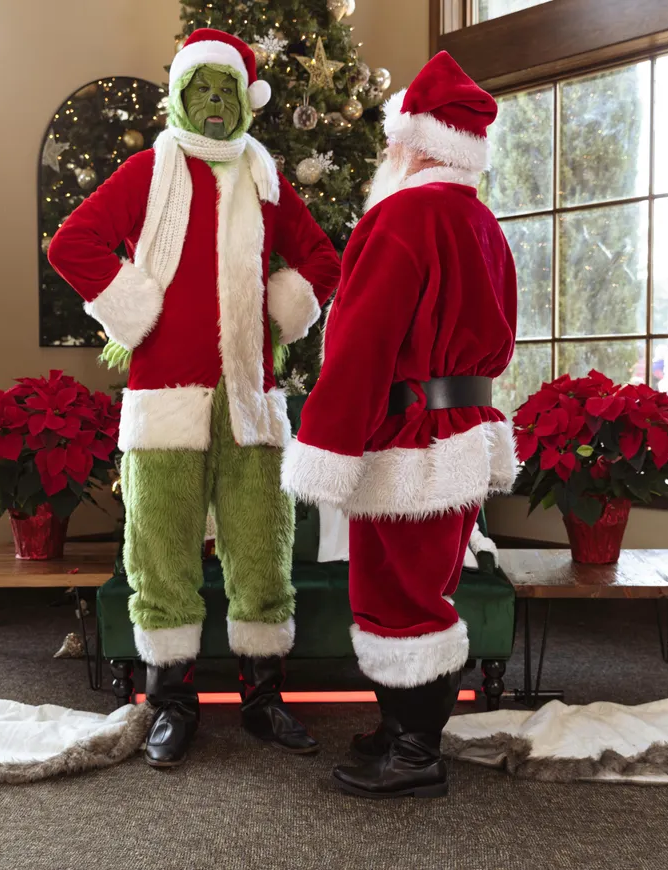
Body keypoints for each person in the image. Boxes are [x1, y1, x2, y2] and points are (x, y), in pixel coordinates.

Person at [47, 29, 340, 768]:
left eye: (227, 91)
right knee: (162, 551)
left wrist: (286, 303)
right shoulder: (149, 171)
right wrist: (133, 304)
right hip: (163, 401)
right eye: (201, 89)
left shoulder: (268, 179)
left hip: (250, 400)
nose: (215, 104)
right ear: (179, 96)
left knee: (261, 550)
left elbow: (322, 259)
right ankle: (172, 702)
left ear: (246, 102)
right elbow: (72, 244)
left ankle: (264, 700)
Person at [282, 51, 517, 799]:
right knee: (429, 586)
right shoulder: (484, 225)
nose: (388, 154)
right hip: (465, 432)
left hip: (407, 438)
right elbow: (502, 342)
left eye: (394, 142)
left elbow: (361, 345)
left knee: (395, 597)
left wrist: (325, 444)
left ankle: (416, 753)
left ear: (418, 144)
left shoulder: (400, 218)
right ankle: (403, 731)